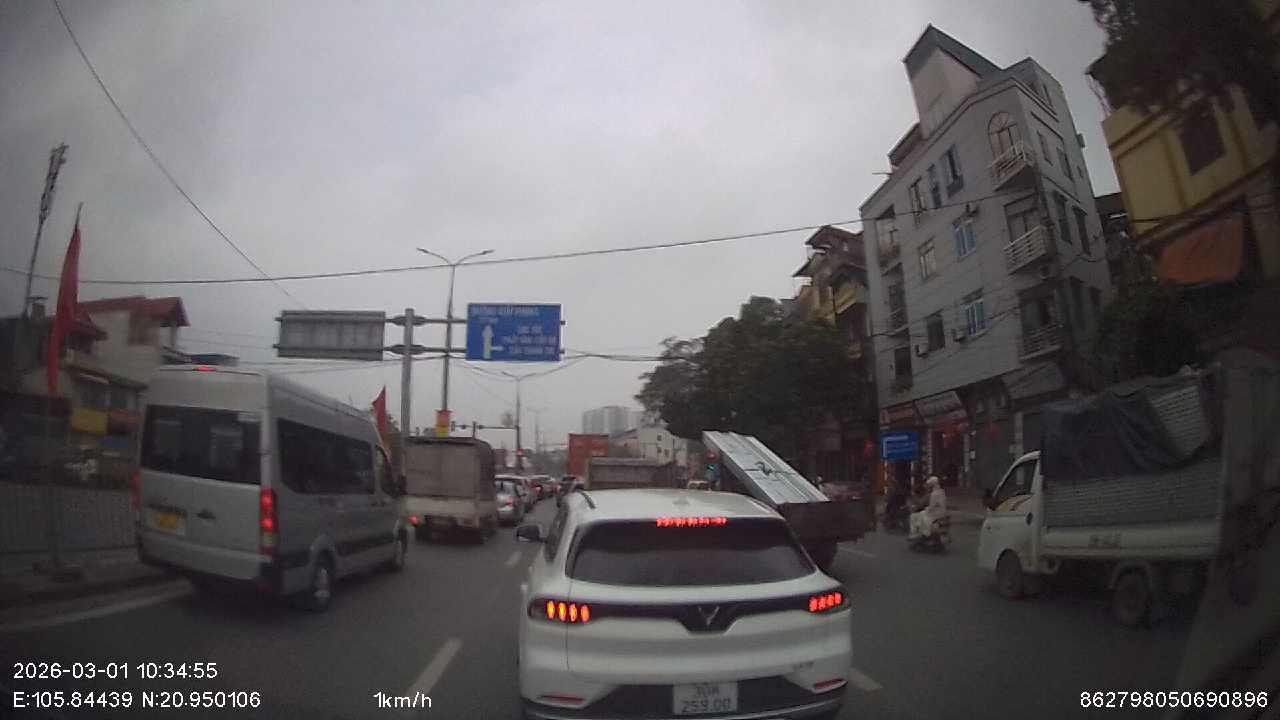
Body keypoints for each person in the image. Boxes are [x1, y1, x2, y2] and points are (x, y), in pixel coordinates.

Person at [909, 475, 948, 540]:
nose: (928, 486)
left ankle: (920, 534)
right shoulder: (941, 491)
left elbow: (931, 507)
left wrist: (926, 509)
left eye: (929, 485)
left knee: (916, 516)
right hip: (940, 512)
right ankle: (920, 533)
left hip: (936, 513)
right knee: (920, 514)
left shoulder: (934, 493)